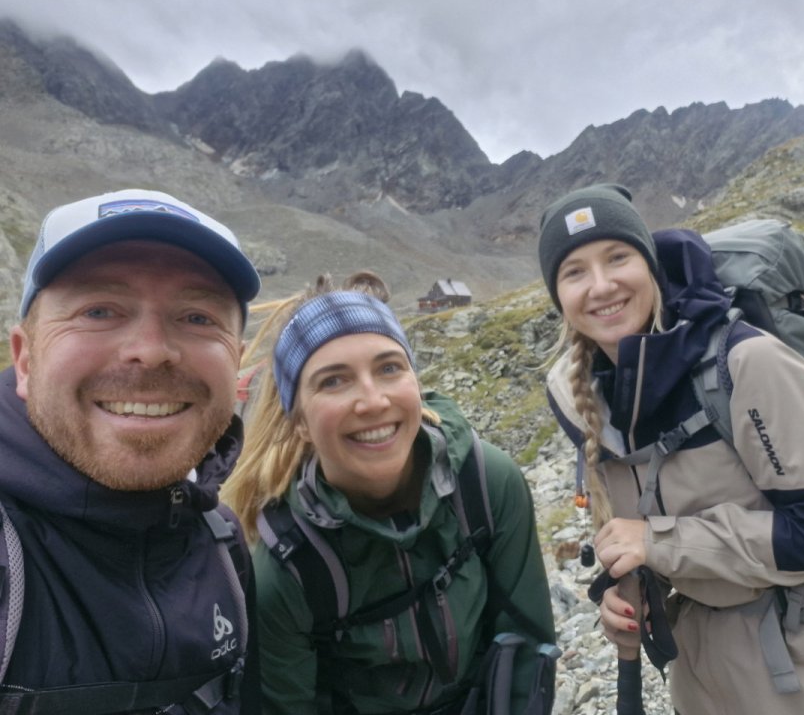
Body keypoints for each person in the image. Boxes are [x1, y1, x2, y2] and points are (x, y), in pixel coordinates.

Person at [537, 183, 804, 714]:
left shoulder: (747, 363)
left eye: (618, 257)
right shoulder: (589, 398)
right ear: (558, 295)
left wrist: (658, 543)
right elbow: (646, 530)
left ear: (650, 264)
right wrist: (631, 592)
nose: (601, 286)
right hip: (703, 673)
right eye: (574, 271)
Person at [221, 272, 556, 715]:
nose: (374, 400)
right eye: (333, 381)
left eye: (389, 368)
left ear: (416, 382)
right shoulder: (288, 565)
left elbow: (528, 652)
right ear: (299, 423)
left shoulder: (485, 483)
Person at [2, 189, 262, 713]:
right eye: (99, 310)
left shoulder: (223, 544)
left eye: (197, 317)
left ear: (235, 362)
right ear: (26, 360)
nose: (151, 350)